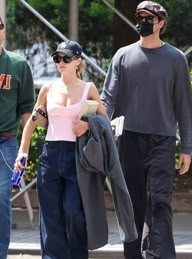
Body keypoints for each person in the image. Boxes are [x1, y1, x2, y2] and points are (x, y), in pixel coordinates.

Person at [101, 1, 192, 259]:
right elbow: (107, 98)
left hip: (162, 141)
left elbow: (184, 105)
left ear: (161, 23)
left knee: (160, 202)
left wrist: (187, 147)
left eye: (148, 17)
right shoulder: (122, 56)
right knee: (131, 204)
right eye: (139, 16)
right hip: (128, 140)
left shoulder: (176, 59)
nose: (142, 21)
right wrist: (96, 123)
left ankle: (160, 256)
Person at [14, 40, 107, 259]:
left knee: (74, 211)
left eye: (66, 58)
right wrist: (23, 151)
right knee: (50, 216)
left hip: (77, 156)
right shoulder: (48, 88)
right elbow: (33, 121)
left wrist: (87, 124)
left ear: (78, 61)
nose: (61, 62)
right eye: (57, 58)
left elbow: (105, 121)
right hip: (51, 154)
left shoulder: (89, 88)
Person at [0, 16, 35, 259]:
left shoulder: (18, 64)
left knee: (2, 197)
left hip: (6, 141)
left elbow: (26, 110)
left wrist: (26, 148)